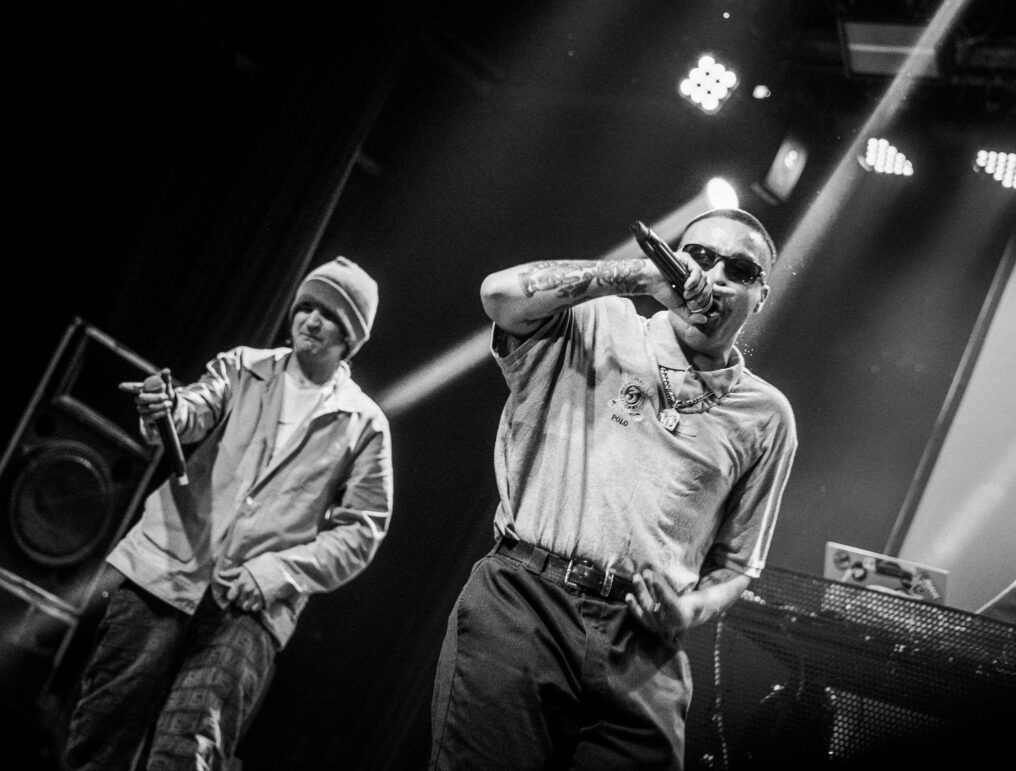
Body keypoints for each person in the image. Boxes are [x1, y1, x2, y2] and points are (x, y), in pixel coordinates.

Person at [430, 208, 797, 769]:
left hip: (642, 648)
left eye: (739, 270)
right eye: (699, 256)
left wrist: (688, 610)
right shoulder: (600, 322)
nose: (714, 275)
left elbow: (736, 565)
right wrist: (639, 277)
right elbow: (499, 295)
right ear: (673, 259)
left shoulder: (767, 416)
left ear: (761, 295)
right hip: (527, 603)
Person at [65, 256, 394, 770]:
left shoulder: (364, 424)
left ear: (351, 337)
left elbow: (362, 531)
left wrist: (277, 573)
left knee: (188, 752)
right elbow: (192, 410)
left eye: (329, 315)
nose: (311, 320)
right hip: (165, 571)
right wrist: (166, 409)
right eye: (306, 306)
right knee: (103, 729)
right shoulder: (243, 366)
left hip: (249, 610)